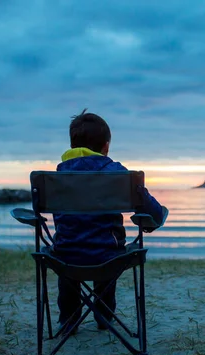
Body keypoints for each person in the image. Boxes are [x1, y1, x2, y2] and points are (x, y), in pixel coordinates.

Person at [53, 109, 164, 334]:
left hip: (65, 256)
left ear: (72, 146)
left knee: (68, 252)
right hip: (107, 256)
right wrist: (157, 217)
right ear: (106, 147)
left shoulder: (58, 175)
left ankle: (69, 319)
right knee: (105, 249)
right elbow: (151, 210)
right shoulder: (116, 173)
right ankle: (105, 315)